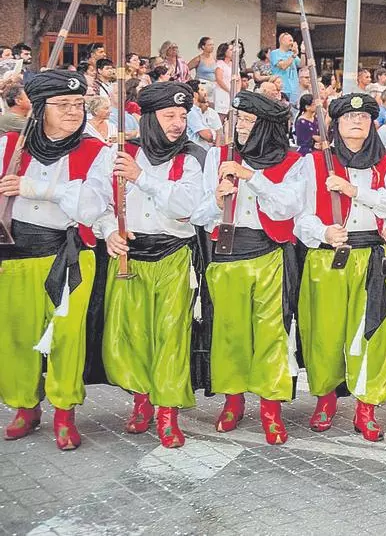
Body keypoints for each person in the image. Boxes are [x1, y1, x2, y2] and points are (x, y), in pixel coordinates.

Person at [85, 81, 205, 448]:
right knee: (131, 336)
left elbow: (187, 206)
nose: (177, 123)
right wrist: (109, 231)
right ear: (150, 118)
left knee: (171, 336)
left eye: (182, 116)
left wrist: (142, 178)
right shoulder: (118, 153)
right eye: (169, 116)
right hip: (129, 256)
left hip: (173, 255)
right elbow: (98, 205)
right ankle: (142, 401)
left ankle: (168, 412)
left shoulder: (192, 158)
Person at [0, 70, 115, 450]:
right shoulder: (9, 145)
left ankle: (65, 412)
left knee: (67, 336)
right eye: (62, 104)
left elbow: (90, 206)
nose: (72, 111)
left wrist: (37, 188)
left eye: (78, 104)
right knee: (18, 334)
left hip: (69, 256)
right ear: (38, 108)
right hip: (16, 253)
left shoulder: (96, 151)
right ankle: (25, 406)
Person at [191, 91, 306, 445]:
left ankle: (270, 407)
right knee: (229, 332)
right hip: (226, 253)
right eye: (238, 119)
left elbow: (288, 207)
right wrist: (216, 200)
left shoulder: (292, 161)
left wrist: (251, 177)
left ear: (267, 126)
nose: (240, 127)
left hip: (269, 253)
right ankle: (233, 400)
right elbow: (198, 214)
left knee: (271, 334)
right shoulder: (218, 156)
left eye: (248, 121)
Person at [293, 93, 386, 442]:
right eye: (349, 117)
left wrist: (354, 191)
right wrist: (323, 231)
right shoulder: (314, 164)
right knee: (324, 333)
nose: (357, 122)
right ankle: (325, 398)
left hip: (369, 257)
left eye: (364, 117)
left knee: (369, 333)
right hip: (327, 257)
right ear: (336, 125)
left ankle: (366, 407)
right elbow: (299, 216)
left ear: (373, 124)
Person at [269, 33, 301, 103]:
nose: (292, 43)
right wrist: (294, 55)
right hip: (282, 88)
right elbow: (283, 66)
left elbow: (302, 65)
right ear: (282, 41)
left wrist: (303, 52)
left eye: (292, 41)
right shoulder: (275, 53)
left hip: (294, 89)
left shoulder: (291, 54)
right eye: (290, 40)